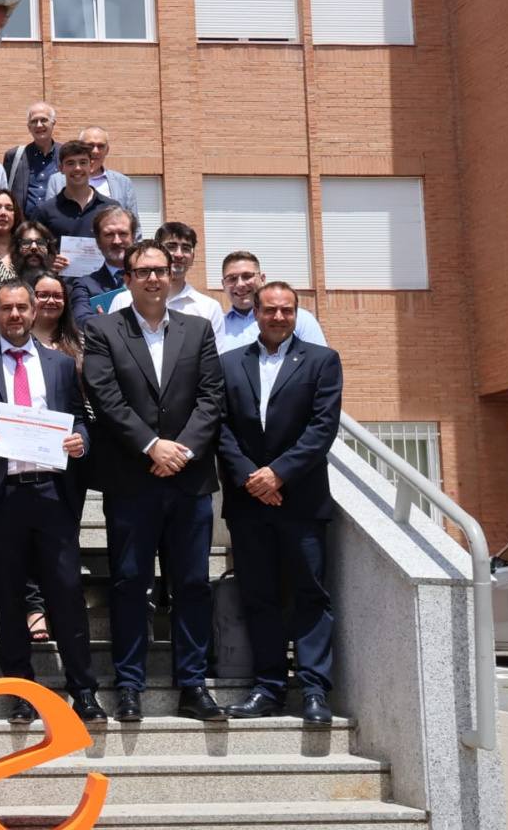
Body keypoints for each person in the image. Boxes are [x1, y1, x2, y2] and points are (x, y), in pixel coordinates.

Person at [81, 242, 226, 724]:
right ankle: (129, 685)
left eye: (160, 271)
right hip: (131, 480)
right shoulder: (103, 329)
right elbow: (105, 397)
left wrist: (179, 449)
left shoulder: (199, 329)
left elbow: (211, 398)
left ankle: (193, 684)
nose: (153, 279)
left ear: (172, 275)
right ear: (127, 277)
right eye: (142, 271)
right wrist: (151, 446)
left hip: (189, 480)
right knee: (129, 584)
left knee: (191, 585)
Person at [0, 280, 106, 724]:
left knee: (67, 593)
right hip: (3, 496)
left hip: (52, 492)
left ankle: (85, 691)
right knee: (9, 595)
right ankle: (21, 690)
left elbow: (79, 416)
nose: (15, 315)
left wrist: (82, 440)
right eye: (6, 308)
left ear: (35, 311)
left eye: (22, 307)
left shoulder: (59, 364)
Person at [216, 283, 344, 726]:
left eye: (286, 311)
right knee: (260, 596)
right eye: (270, 310)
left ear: (296, 314)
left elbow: (322, 428)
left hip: (301, 500)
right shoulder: (229, 364)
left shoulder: (322, 361)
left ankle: (314, 691)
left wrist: (279, 473)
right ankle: (268, 688)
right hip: (249, 501)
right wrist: (253, 477)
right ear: (256, 314)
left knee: (310, 595)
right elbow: (221, 429)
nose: (278, 317)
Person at [109, 222, 226, 345]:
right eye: (171, 246)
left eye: (186, 248)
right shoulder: (123, 300)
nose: (179, 254)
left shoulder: (209, 308)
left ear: (193, 256)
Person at [218, 251, 328, 353]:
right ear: (224, 285)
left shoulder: (301, 320)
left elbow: (319, 364)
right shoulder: (216, 327)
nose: (240, 284)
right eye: (232, 278)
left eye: (247, 276)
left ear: (262, 279)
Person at [33, 141, 118, 244]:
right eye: (70, 163)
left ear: (91, 166)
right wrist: (52, 260)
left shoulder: (111, 208)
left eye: (83, 162)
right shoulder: (45, 211)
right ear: (61, 168)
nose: (77, 168)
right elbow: (35, 249)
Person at [72, 206, 137, 324]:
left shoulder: (149, 277)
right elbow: (81, 320)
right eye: (109, 234)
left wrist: (105, 320)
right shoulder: (85, 285)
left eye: (123, 233)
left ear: (133, 237)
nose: (117, 241)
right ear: (97, 241)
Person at [1, 102, 62, 215]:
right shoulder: (14, 156)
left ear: (54, 124)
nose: (39, 125)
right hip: (24, 227)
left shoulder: (65, 156)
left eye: (44, 120)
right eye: (34, 121)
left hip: (57, 226)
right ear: (29, 127)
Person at [77, 125, 139, 216]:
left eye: (101, 146)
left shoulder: (123, 182)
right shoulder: (58, 180)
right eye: (90, 145)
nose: (95, 151)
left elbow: (134, 225)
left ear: (107, 150)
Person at [25, 269, 84, 361]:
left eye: (57, 296)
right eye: (43, 295)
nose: (51, 301)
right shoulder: (19, 340)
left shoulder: (80, 340)